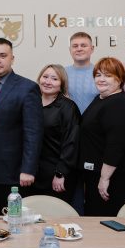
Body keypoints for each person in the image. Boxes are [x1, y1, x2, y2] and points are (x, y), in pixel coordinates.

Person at [0, 38, 43, 215]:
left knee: (13, 222)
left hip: (13, 174)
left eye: (3, 55)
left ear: (12, 58)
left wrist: (28, 169)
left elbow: (33, 133)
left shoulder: (28, 88)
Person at [78, 57, 125, 216]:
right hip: (96, 174)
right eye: (98, 75)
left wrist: (104, 178)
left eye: (108, 75)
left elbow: (115, 145)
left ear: (119, 79)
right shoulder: (100, 98)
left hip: (113, 178)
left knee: (107, 222)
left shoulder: (118, 104)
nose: (101, 79)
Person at [31, 64, 79, 207]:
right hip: (33, 172)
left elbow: (72, 143)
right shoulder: (31, 103)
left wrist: (60, 173)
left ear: (61, 84)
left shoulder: (68, 107)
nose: (48, 81)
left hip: (56, 174)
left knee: (55, 215)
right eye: (45, 77)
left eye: (54, 78)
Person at [64, 32, 99, 113]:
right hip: (68, 120)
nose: (79, 49)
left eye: (83, 45)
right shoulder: (62, 73)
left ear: (92, 49)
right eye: (75, 46)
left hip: (96, 120)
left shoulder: (101, 73)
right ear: (70, 50)